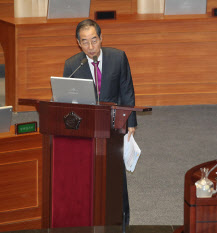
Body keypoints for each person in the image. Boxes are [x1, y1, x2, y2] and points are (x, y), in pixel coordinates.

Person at [63, 19, 136, 225]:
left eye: (94, 40)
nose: (91, 47)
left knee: (116, 177)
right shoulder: (72, 65)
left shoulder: (118, 57)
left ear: (101, 38)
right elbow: (68, 100)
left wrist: (130, 123)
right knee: (87, 177)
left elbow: (126, 91)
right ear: (78, 43)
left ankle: (122, 222)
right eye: (85, 42)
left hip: (114, 125)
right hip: (86, 128)